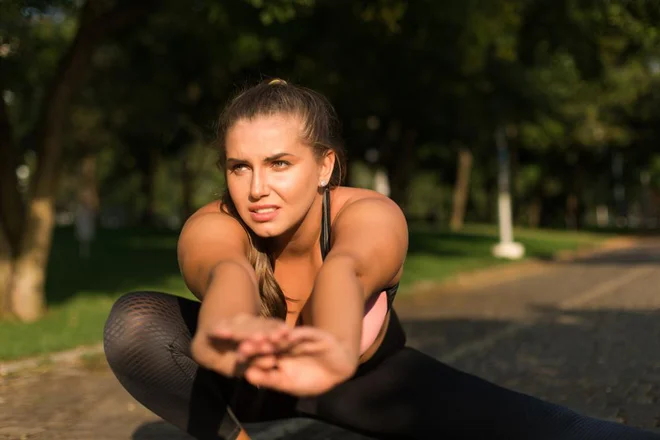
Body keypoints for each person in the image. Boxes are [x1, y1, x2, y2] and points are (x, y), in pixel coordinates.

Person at [103, 79, 660, 440]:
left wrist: (334, 350)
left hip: (370, 383)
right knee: (135, 323)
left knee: (576, 433)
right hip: (255, 383)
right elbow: (224, 270)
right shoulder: (215, 221)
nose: (256, 188)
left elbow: (348, 267)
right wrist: (231, 325)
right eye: (239, 166)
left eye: (278, 163)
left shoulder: (368, 213)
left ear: (324, 166)